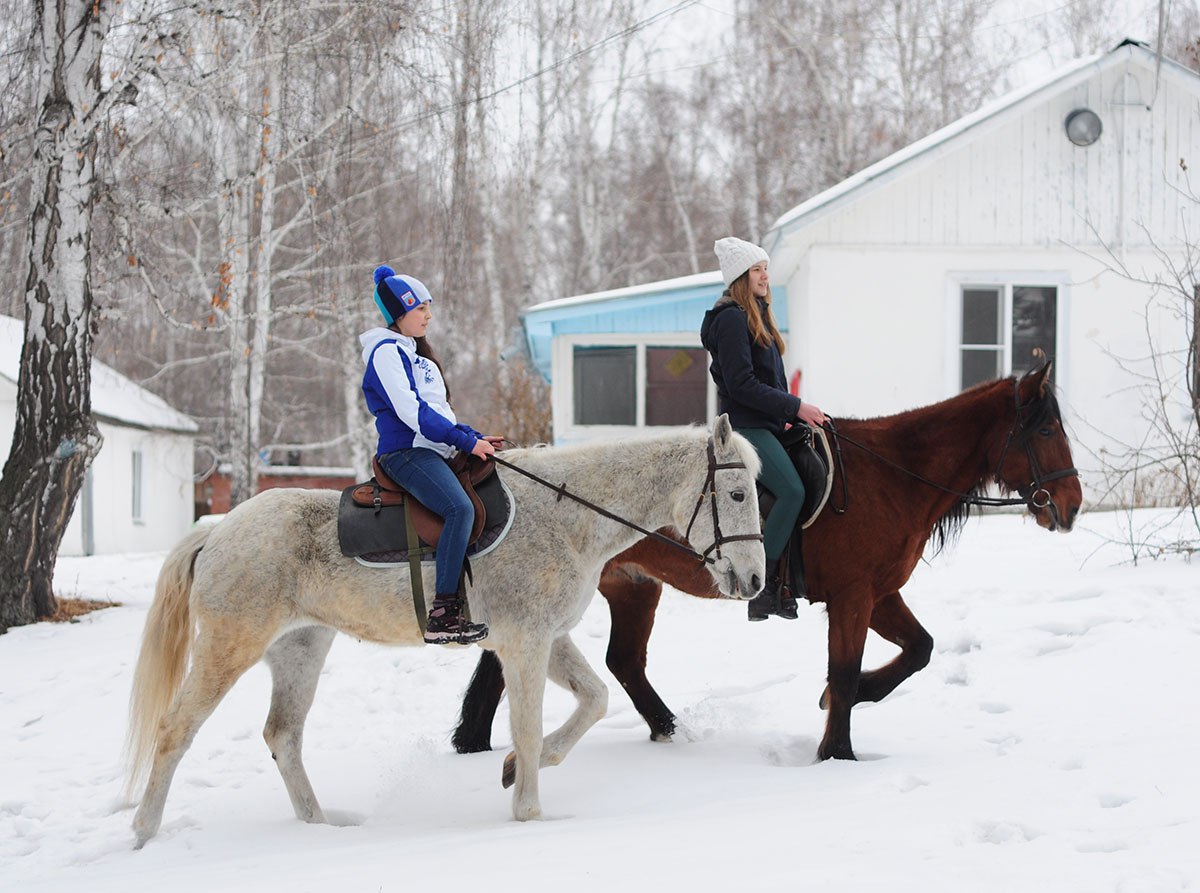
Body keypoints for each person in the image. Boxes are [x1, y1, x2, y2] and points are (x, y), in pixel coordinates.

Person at [360, 265, 502, 644]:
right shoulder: (385, 352)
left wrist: (471, 436)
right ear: (399, 313)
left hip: (432, 449)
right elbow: (414, 415)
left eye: (428, 307)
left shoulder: (416, 356)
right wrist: (465, 442)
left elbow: (439, 413)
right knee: (460, 509)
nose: (428, 315)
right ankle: (443, 613)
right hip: (406, 453)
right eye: (420, 308)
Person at [700, 237, 827, 621]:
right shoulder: (732, 319)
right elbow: (742, 386)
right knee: (791, 490)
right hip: (745, 430)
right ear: (741, 276)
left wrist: (788, 415)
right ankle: (766, 586)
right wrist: (796, 407)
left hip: (767, 424)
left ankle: (789, 579)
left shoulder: (755, 315)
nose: (765, 276)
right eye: (757, 270)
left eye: (765, 269)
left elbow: (768, 382)